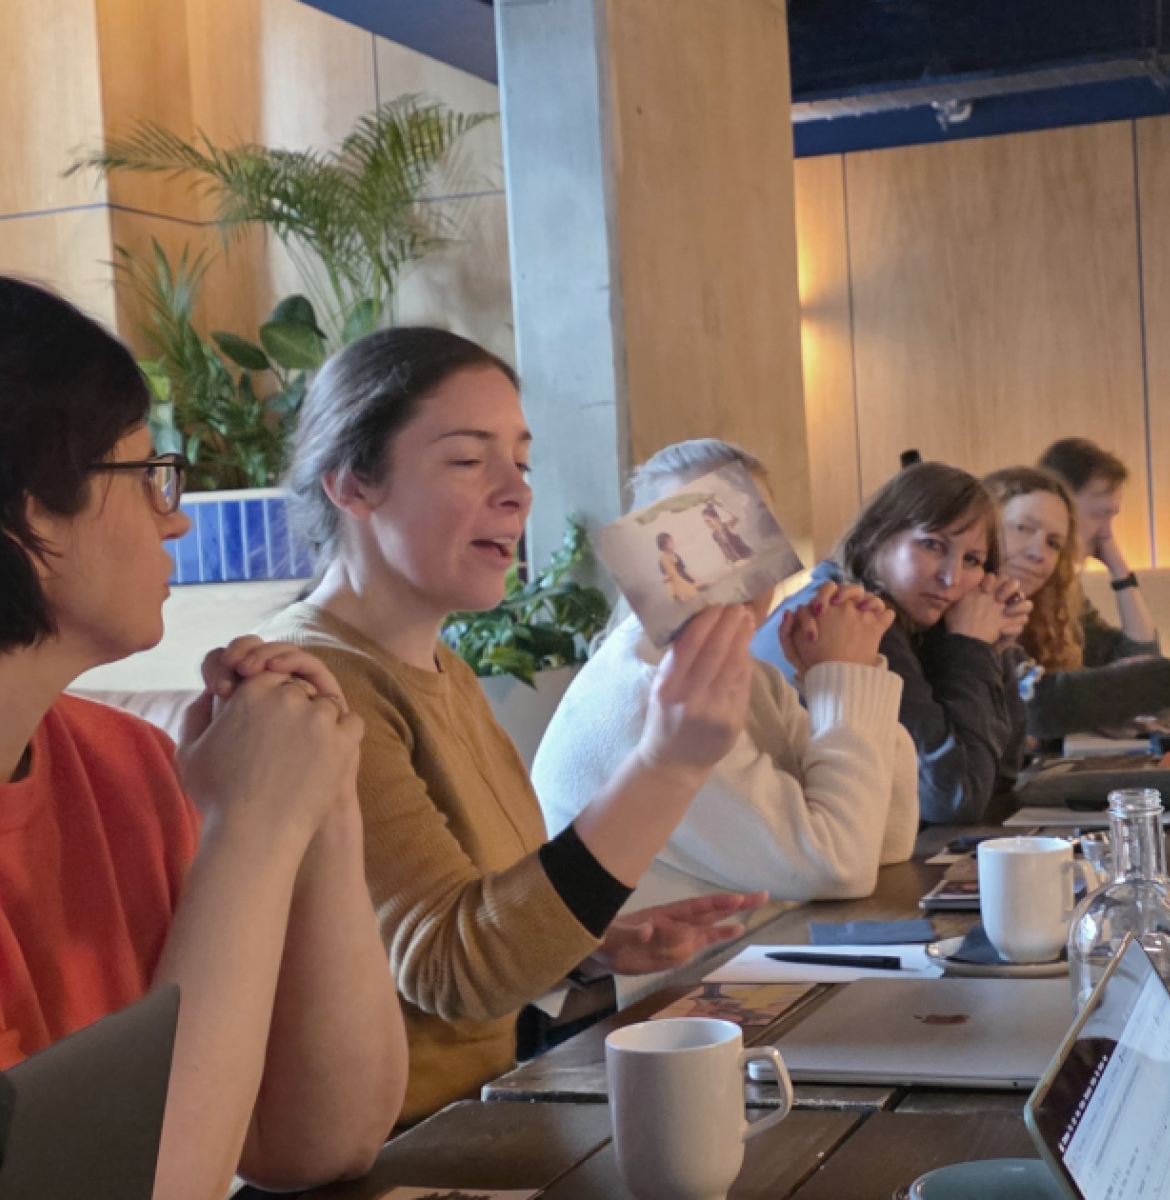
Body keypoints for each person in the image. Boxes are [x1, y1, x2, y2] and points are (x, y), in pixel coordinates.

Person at [262, 327, 765, 1125]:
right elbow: (453, 973)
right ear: (352, 483)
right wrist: (667, 763)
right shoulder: (309, 685)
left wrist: (584, 949)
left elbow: (453, 935)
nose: (518, 492)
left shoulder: (442, 668)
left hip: (486, 1113)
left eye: (521, 463)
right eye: (468, 459)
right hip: (396, 1150)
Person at [0, 277, 406, 1197]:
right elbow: (131, 1186)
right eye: (146, 473)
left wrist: (320, 800)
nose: (174, 513)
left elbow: (319, 1141)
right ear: (29, 510)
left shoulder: (124, 767)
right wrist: (254, 826)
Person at [535, 441, 919, 1000]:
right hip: (640, 1025)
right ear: (649, 556)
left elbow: (885, 837)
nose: (729, 566)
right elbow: (837, 864)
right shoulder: (652, 692)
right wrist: (841, 673)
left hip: (740, 985)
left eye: (746, 530)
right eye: (692, 538)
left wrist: (842, 676)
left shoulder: (746, 675)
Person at [754, 462, 1029, 825]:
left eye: (972, 560)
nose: (951, 577)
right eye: (932, 545)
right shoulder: (853, 616)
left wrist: (994, 651)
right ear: (876, 535)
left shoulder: (909, 620)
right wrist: (971, 646)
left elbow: (1002, 777)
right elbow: (952, 797)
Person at [983, 467, 1170, 739]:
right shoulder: (962, 612)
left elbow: (1133, 659)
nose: (1038, 553)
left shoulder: (1047, 607)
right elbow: (1037, 705)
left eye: (1054, 543)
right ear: (984, 528)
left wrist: (1122, 574)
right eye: (1022, 528)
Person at [1038, 438, 1162, 666]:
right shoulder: (1024, 584)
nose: (1107, 534)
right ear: (1058, 507)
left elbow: (1142, 660)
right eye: (1098, 514)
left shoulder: (1065, 586)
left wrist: (1121, 572)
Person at [657, 531, 702, 603]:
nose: (673, 543)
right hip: (681, 587)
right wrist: (672, 594)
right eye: (670, 542)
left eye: (672, 541)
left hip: (689, 582)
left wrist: (696, 579)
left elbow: (685, 569)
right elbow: (667, 580)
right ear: (663, 545)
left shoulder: (675, 554)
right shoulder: (663, 561)